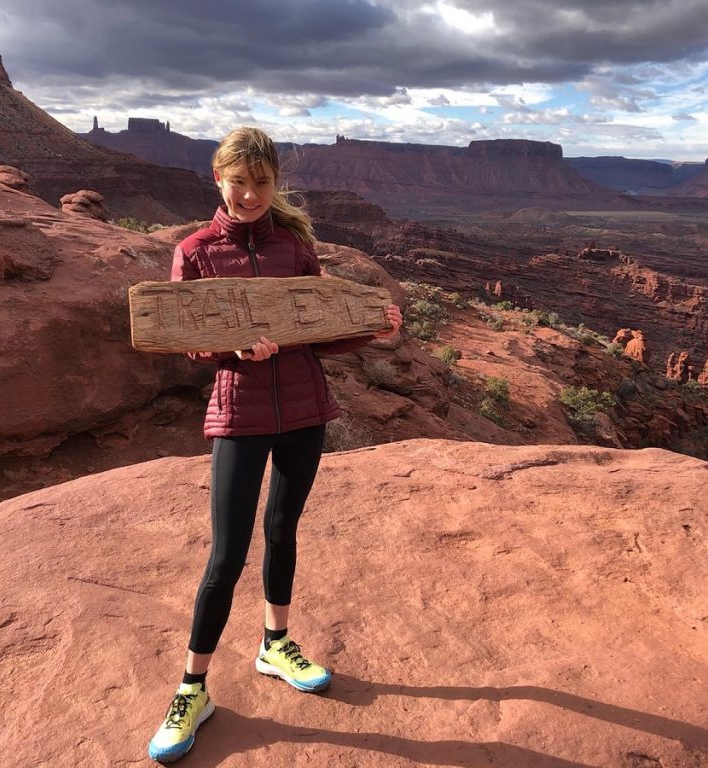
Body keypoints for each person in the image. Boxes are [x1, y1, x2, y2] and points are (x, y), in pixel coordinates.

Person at [147, 126, 402, 763]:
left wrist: (373, 326)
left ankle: (275, 643)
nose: (251, 195)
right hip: (240, 410)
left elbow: (318, 329)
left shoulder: (293, 245)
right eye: (240, 183)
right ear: (218, 178)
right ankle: (192, 688)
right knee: (227, 552)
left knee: (284, 528)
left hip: (304, 408)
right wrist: (231, 347)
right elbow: (184, 336)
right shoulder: (197, 251)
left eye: (262, 185)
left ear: (275, 184)